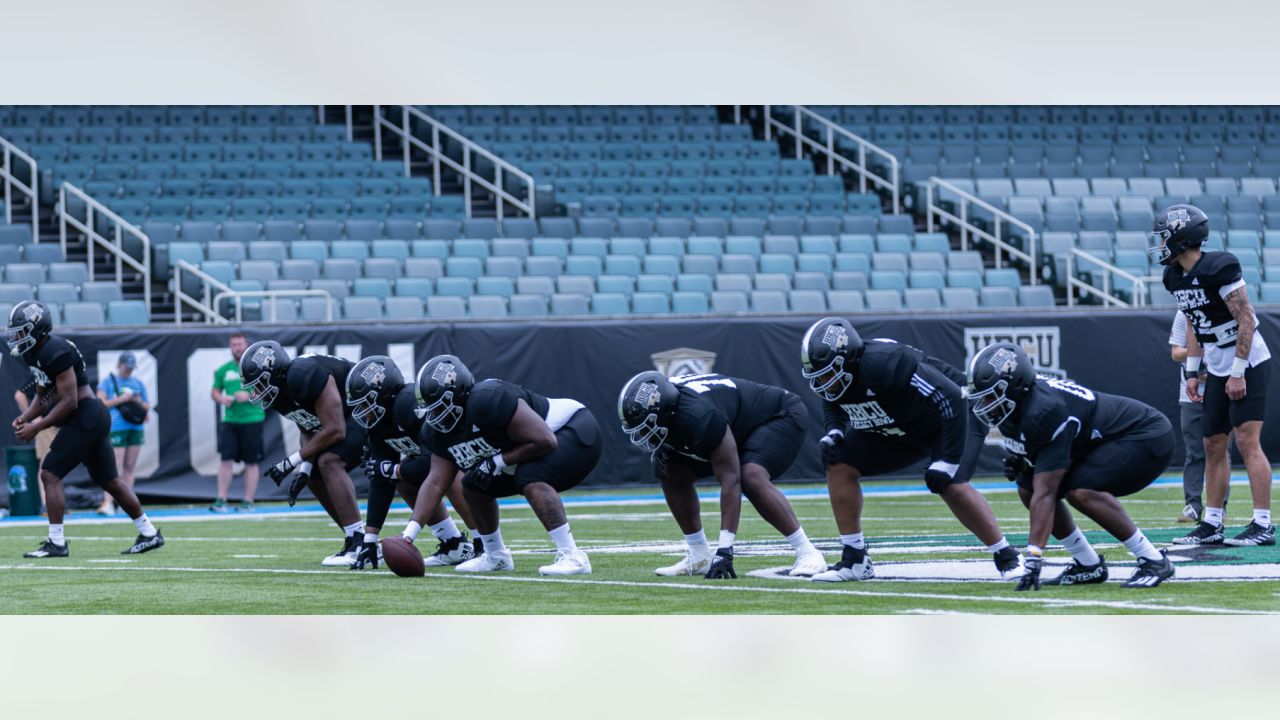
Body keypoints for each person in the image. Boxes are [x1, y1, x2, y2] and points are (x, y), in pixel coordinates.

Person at [798, 317, 1022, 582]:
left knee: (949, 482)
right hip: (901, 425)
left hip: (953, 416)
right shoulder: (841, 378)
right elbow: (833, 399)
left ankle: (1007, 556)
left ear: (848, 359)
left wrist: (947, 462)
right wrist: (834, 431)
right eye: (818, 376)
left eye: (827, 374)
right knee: (838, 462)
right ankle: (855, 559)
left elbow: (949, 397)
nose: (823, 382)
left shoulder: (885, 363)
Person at [968, 342, 1176, 589]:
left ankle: (1152, 559)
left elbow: (1047, 491)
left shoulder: (1044, 410)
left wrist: (1034, 556)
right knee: (1027, 488)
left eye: (991, 394)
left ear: (1015, 385)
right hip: (1097, 441)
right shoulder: (1018, 406)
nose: (986, 403)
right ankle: (1087, 564)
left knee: (1081, 490)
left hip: (1144, 437)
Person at [398, 355, 600, 576]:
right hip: (530, 449)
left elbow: (545, 441)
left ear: (460, 393)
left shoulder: (488, 399)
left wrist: (496, 461)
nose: (435, 416)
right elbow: (435, 482)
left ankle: (573, 556)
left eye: (440, 407)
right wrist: (408, 535)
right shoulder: (435, 431)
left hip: (573, 429)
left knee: (530, 475)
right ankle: (496, 556)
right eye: (431, 409)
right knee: (472, 485)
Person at [619, 371, 827, 580]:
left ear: (664, 411)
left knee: (749, 475)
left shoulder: (700, 415)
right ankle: (699, 555)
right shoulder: (672, 406)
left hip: (780, 415)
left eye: (647, 427)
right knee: (668, 468)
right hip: (736, 423)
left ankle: (808, 552)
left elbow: (731, 480)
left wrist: (725, 550)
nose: (644, 436)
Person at [1152, 204, 1274, 547]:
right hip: (1216, 363)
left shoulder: (1220, 266)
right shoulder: (1174, 276)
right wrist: (1192, 371)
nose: (1161, 244)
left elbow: (1246, 319)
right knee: (1212, 444)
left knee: (1248, 441)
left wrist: (1238, 372)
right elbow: (1193, 321)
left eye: (1165, 237)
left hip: (1246, 360)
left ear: (1181, 237)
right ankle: (1213, 522)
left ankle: (1263, 523)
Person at [6, 301, 164, 557]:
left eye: (22, 331)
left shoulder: (56, 349)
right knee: (110, 481)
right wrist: (26, 416)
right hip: (87, 417)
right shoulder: (34, 352)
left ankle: (56, 543)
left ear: (39, 328)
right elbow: (42, 393)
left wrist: (37, 427)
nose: (18, 337)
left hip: (86, 415)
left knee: (49, 473)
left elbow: (70, 401)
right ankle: (149, 533)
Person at [344, 355, 478, 569]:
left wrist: (393, 469)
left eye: (366, 403)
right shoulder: (377, 423)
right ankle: (453, 544)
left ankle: (483, 543)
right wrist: (370, 540)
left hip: (468, 457)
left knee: (450, 475)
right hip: (441, 462)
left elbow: (439, 463)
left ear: (385, 392)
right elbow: (381, 477)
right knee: (402, 479)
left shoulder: (408, 405)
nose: (362, 412)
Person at [240, 341, 367, 566]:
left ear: (273, 371)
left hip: (365, 407)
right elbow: (308, 426)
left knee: (329, 461)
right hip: (344, 419)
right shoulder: (279, 392)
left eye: (259, 384)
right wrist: (304, 468)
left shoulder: (304, 374)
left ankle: (359, 543)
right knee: (314, 476)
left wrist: (291, 461)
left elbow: (336, 430)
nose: (256, 391)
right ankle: (356, 537)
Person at [211, 332, 262, 512]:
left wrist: (247, 396)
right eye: (234, 345)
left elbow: (266, 391)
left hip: (252, 419)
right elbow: (215, 391)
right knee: (226, 460)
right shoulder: (224, 369)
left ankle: (248, 500)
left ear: (246, 345)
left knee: (251, 462)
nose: (237, 348)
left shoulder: (256, 368)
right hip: (230, 420)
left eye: (240, 344)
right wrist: (222, 399)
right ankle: (221, 499)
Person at [95, 350, 149, 516]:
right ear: (120, 365)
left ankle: (127, 502)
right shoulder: (108, 381)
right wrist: (120, 399)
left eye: (132, 368)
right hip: (117, 427)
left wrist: (135, 400)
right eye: (127, 367)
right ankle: (108, 502)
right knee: (115, 466)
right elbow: (100, 403)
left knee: (130, 467)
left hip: (135, 427)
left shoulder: (138, 383)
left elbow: (146, 406)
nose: (129, 370)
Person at [13, 377, 56, 511]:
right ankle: (46, 503)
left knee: (57, 464)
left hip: (60, 423)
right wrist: (32, 418)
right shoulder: (40, 375)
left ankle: (55, 501)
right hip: (45, 425)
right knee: (46, 464)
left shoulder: (62, 371)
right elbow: (19, 395)